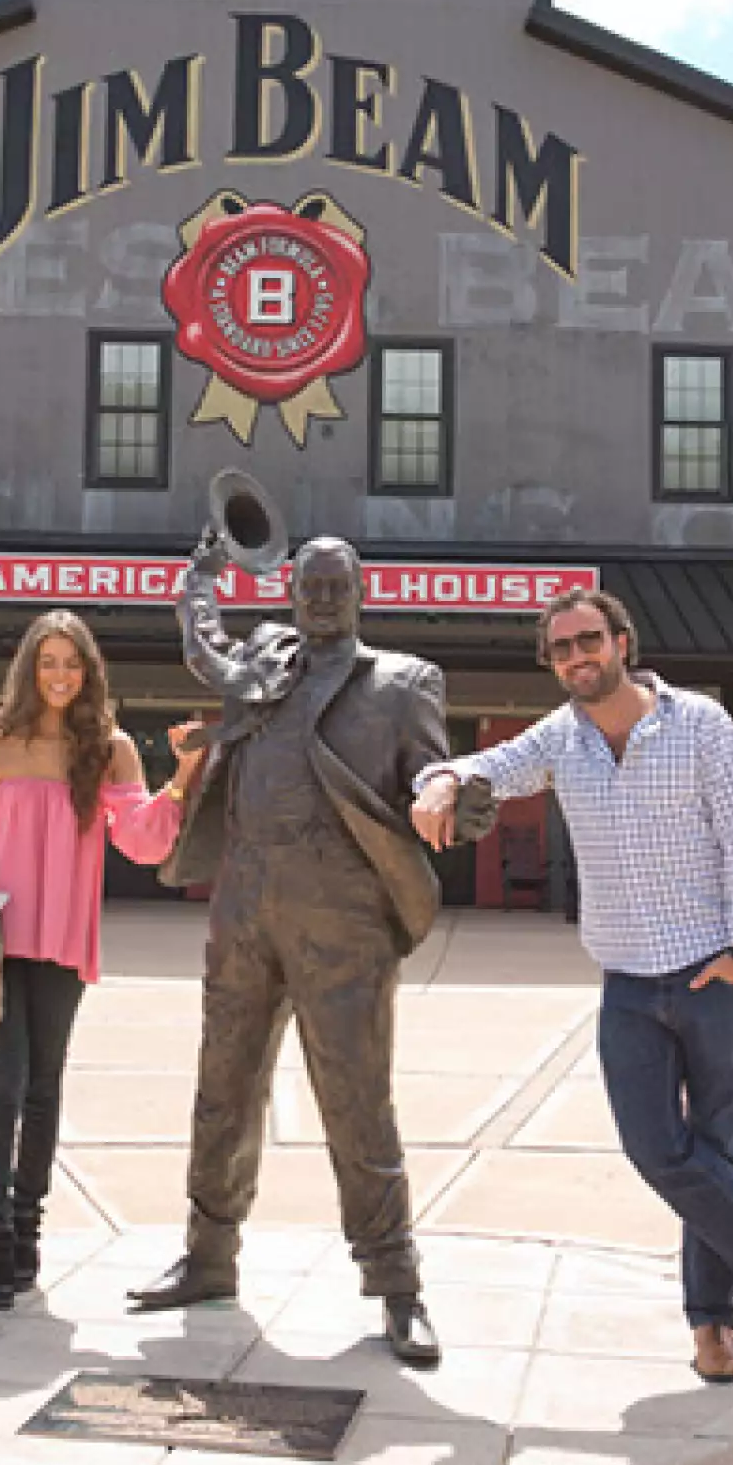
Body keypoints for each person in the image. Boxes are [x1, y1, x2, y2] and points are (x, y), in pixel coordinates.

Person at [410, 588, 733, 1384]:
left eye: (589, 641)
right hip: (628, 981)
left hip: (717, 971)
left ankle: (712, 1325)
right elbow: (490, 768)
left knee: (720, 1154)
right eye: (562, 650)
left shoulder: (700, 724)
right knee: (659, 1151)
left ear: (621, 641)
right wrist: (441, 779)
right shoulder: (563, 738)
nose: (578, 658)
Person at [128, 533, 451, 1367]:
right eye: (308, 586)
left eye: (335, 586)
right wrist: (198, 577)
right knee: (222, 1084)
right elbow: (204, 648)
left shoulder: (400, 684)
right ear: (292, 591)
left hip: (343, 919)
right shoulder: (263, 656)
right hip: (243, 905)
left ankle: (396, 1281)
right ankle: (208, 1255)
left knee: (355, 1097)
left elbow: (429, 778)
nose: (319, 600)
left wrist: (457, 798)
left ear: (360, 592)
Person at [0, 610, 200, 1308]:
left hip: (61, 936)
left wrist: (182, 777)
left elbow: (144, 842)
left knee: (43, 1087)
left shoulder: (108, 749)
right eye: (48, 662)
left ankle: (28, 1230)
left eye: (72, 663)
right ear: (29, 668)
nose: (59, 675)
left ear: (89, 674)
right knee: (4, 1082)